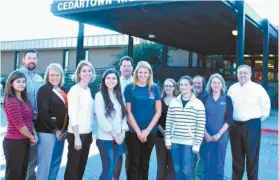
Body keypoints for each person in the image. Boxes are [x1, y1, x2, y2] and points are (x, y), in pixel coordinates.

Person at [227, 65, 270, 180]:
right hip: (235, 126)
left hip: (252, 126)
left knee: (252, 158)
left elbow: (266, 108)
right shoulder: (232, 89)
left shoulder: (258, 89)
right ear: (237, 74)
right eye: (240, 72)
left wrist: (254, 122)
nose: (242, 75)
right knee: (237, 158)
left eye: (245, 73)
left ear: (250, 74)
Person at [124, 61, 162, 180]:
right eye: (140, 72)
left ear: (149, 73)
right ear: (136, 73)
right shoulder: (129, 88)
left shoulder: (154, 88)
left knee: (145, 163)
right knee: (134, 163)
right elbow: (128, 112)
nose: (143, 75)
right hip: (132, 132)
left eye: (146, 72)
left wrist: (146, 131)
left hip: (150, 132)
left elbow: (158, 112)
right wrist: (138, 132)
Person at [165, 75, 205, 180]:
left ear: (191, 86)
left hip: (189, 143)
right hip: (175, 142)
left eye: (186, 84)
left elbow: (200, 126)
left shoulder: (198, 104)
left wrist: (197, 145)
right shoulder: (174, 102)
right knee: (177, 169)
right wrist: (168, 140)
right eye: (181, 85)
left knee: (187, 171)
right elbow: (168, 122)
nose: (183, 87)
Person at [3, 70, 38, 180]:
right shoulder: (11, 100)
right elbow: (20, 125)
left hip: (25, 141)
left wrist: (34, 134)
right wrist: (31, 137)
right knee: (13, 175)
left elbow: (29, 120)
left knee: (22, 173)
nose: (22, 84)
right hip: (14, 142)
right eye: (18, 81)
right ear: (11, 83)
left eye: (23, 81)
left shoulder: (24, 99)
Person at [35, 63, 68, 180]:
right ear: (47, 76)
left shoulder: (64, 90)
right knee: (45, 163)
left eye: (57, 75)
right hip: (47, 132)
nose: (54, 77)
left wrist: (65, 130)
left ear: (61, 76)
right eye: (51, 75)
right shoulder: (43, 90)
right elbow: (43, 113)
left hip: (62, 132)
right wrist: (56, 130)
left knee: (56, 162)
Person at [64, 60, 96, 180]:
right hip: (76, 134)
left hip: (87, 133)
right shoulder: (74, 90)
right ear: (78, 74)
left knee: (81, 166)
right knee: (73, 168)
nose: (87, 73)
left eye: (89, 71)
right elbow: (73, 115)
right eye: (84, 71)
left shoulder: (87, 90)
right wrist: (77, 137)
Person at [95, 69, 129, 180]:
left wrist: (123, 133)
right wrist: (115, 135)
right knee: (108, 170)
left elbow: (123, 116)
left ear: (117, 81)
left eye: (114, 78)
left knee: (112, 170)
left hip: (119, 139)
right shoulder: (99, 96)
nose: (111, 80)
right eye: (108, 78)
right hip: (105, 139)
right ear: (104, 80)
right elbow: (101, 119)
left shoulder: (120, 96)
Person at [201, 73, 233, 180]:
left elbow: (229, 119)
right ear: (210, 84)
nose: (216, 85)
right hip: (207, 137)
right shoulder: (204, 99)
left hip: (221, 137)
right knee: (208, 164)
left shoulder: (227, 99)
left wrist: (218, 135)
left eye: (219, 82)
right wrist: (206, 134)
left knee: (219, 165)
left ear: (222, 85)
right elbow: (200, 118)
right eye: (214, 82)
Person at [19, 50, 43, 180]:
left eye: (34, 58)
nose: (32, 60)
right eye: (29, 58)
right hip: (22, 123)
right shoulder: (17, 75)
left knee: (32, 159)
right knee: (20, 158)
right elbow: (15, 99)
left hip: (36, 123)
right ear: (23, 60)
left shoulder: (39, 78)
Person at [114, 56, 134, 180]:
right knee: (118, 154)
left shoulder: (137, 83)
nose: (126, 68)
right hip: (117, 125)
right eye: (124, 66)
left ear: (132, 67)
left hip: (133, 125)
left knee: (130, 155)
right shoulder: (114, 82)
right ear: (120, 67)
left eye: (128, 66)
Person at [155, 78, 176, 180]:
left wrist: (170, 135)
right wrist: (164, 133)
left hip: (175, 138)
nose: (168, 88)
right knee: (161, 164)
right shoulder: (159, 101)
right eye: (166, 86)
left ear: (174, 87)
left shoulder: (178, 101)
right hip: (160, 137)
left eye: (170, 86)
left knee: (172, 165)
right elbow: (156, 119)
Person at [193, 75, 208, 180]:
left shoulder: (207, 97)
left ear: (203, 84)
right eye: (195, 83)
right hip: (189, 134)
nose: (197, 85)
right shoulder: (188, 95)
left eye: (199, 83)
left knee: (201, 160)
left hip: (202, 134)